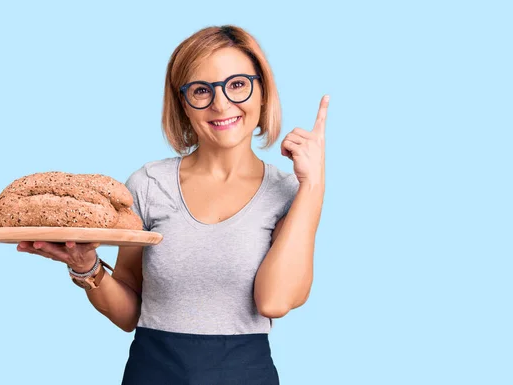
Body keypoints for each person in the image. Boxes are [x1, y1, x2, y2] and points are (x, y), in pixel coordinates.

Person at [16, 25, 328, 384]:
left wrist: (314, 184)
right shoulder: (149, 185)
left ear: (262, 91)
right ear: (183, 103)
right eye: (200, 90)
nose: (221, 103)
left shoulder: (288, 193)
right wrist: (87, 267)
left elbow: (274, 301)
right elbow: (129, 313)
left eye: (238, 84)